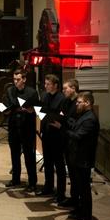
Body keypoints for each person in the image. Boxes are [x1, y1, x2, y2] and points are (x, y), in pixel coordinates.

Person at [53, 91, 99, 220]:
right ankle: (80, 212)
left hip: (83, 160)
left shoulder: (90, 119)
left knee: (84, 191)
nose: (77, 105)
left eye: (79, 102)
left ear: (88, 103)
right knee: (78, 188)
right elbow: (74, 127)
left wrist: (62, 129)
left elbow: (78, 136)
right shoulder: (83, 116)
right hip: (77, 158)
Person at [4, 69, 39, 192]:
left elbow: (37, 109)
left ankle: (32, 182)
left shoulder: (32, 92)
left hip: (27, 127)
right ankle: (15, 179)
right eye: (14, 79)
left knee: (29, 156)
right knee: (14, 154)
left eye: (18, 79)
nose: (15, 82)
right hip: (13, 126)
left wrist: (30, 110)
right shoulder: (10, 90)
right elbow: (9, 106)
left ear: (24, 79)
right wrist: (7, 110)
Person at [36, 74, 67, 202]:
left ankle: (60, 193)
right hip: (47, 133)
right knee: (47, 162)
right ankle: (48, 187)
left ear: (55, 85)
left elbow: (63, 116)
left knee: (59, 165)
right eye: (45, 83)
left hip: (57, 135)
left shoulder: (62, 99)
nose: (45, 86)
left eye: (48, 84)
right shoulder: (44, 95)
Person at [58, 79, 80, 208]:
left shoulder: (78, 103)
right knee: (71, 173)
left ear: (73, 88)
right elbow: (62, 114)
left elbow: (72, 120)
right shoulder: (66, 101)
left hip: (74, 142)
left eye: (65, 88)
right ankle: (73, 198)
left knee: (76, 174)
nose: (63, 91)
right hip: (65, 139)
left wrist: (63, 119)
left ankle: (77, 201)